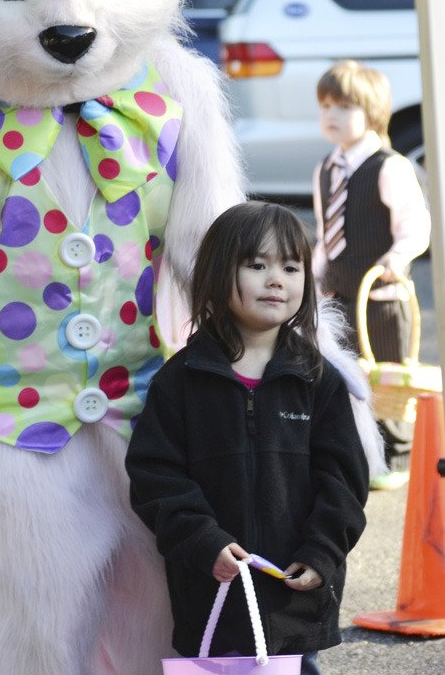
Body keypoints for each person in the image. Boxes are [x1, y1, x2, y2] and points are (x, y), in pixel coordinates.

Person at [125, 201, 369, 675]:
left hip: (293, 595)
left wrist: (322, 552)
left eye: (291, 266)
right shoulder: (181, 381)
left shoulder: (318, 379)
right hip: (212, 590)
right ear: (218, 274)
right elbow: (155, 476)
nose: (276, 279)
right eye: (257, 265)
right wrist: (202, 539)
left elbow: (343, 481)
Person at [312, 60, 431, 489]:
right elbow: (327, 236)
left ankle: (396, 459)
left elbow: (415, 226)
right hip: (340, 295)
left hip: (380, 298)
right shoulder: (326, 169)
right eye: (325, 106)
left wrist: (397, 258)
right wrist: (312, 278)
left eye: (343, 106)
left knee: (387, 375)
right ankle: (358, 455)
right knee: (347, 376)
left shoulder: (389, 166)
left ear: (373, 111)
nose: (331, 116)